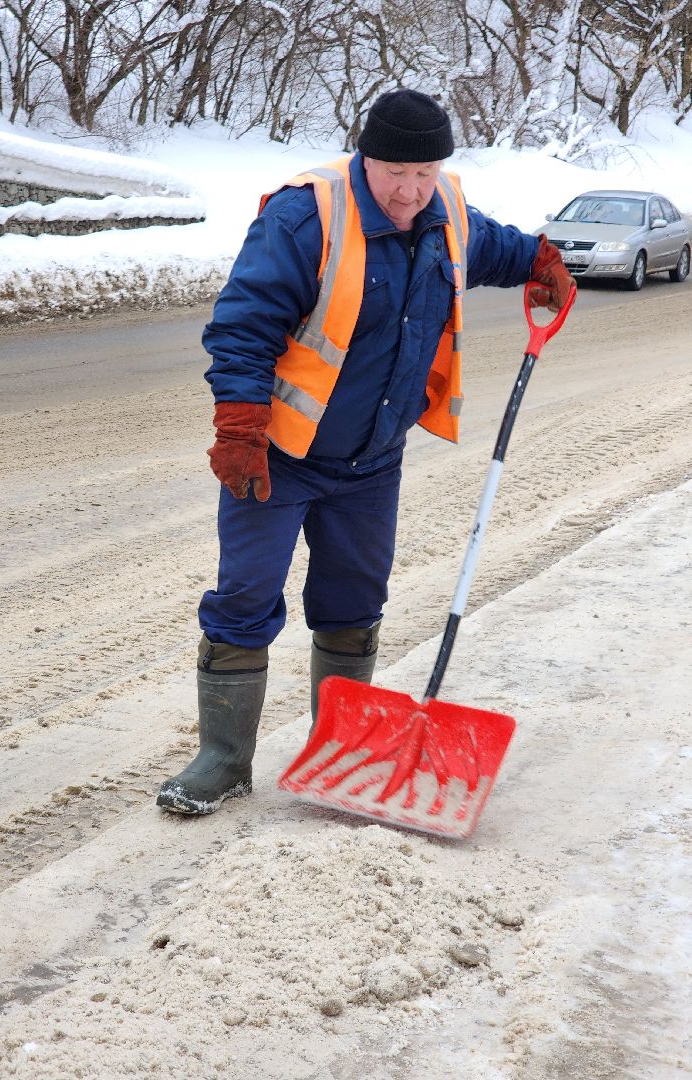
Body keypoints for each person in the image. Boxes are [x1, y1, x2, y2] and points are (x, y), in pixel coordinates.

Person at [156, 88, 573, 815]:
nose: (412, 191)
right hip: (278, 456)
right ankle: (222, 758)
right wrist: (240, 428)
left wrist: (541, 259)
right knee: (246, 597)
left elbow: (495, 246)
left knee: (353, 604)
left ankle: (339, 750)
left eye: (426, 173)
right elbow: (242, 327)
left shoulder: (445, 212)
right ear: (364, 161)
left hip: (372, 461)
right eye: (395, 174)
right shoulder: (306, 216)